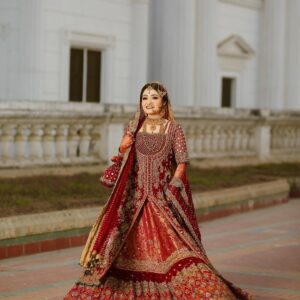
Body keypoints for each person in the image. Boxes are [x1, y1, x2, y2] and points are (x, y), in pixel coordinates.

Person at [64, 82, 252, 299]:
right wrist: (122, 147)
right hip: (133, 203)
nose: (148, 102)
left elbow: (182, 163)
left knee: (183, 252)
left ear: (164, 101)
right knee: (114, 255)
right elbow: (125, 160)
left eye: (154, 97)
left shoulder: (173, 129)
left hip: (162, 202)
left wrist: (173, 186)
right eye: (144, 98)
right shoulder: (134, 127)